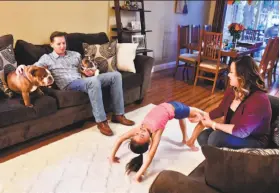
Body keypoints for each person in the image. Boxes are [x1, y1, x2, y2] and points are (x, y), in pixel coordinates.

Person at [16, 31, 135, 136]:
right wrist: (21, 66)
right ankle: (101, 121)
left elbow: (82, 69)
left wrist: (88, 72)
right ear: (51, 44)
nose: (62, 46)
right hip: (69, 84)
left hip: (83, 80)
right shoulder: (47, 58)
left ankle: (118, 114)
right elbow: (33, 68)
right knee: (93, 82)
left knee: (116, 76)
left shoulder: (75, 55)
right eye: (58, 44)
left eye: (64, 43)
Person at [109, 101, 205, 182]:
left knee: (182, 117)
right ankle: (190, 141)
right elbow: (150, 156)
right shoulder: (156, 132)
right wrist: (138, 175)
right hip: (177, 108)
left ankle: (185, 138)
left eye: (136, 134)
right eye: (142, 135)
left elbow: (120, 138)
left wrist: (111, 157)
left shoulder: (140, 128)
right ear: (148, 141)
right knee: (203, 116)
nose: (140, 132)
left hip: (168, 104)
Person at [196, 56, 272, 149]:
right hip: (235, 130)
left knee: (216, 138)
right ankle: (219, 159)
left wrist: (213, 124)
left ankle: (221, 160)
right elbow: (221, 109)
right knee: (202, 136)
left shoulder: (259, 99)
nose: (228, 75)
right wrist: (203, 116)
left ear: (242, 76)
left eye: (231, 72)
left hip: (254, 139)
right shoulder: (233, 89)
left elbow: (242, 131)